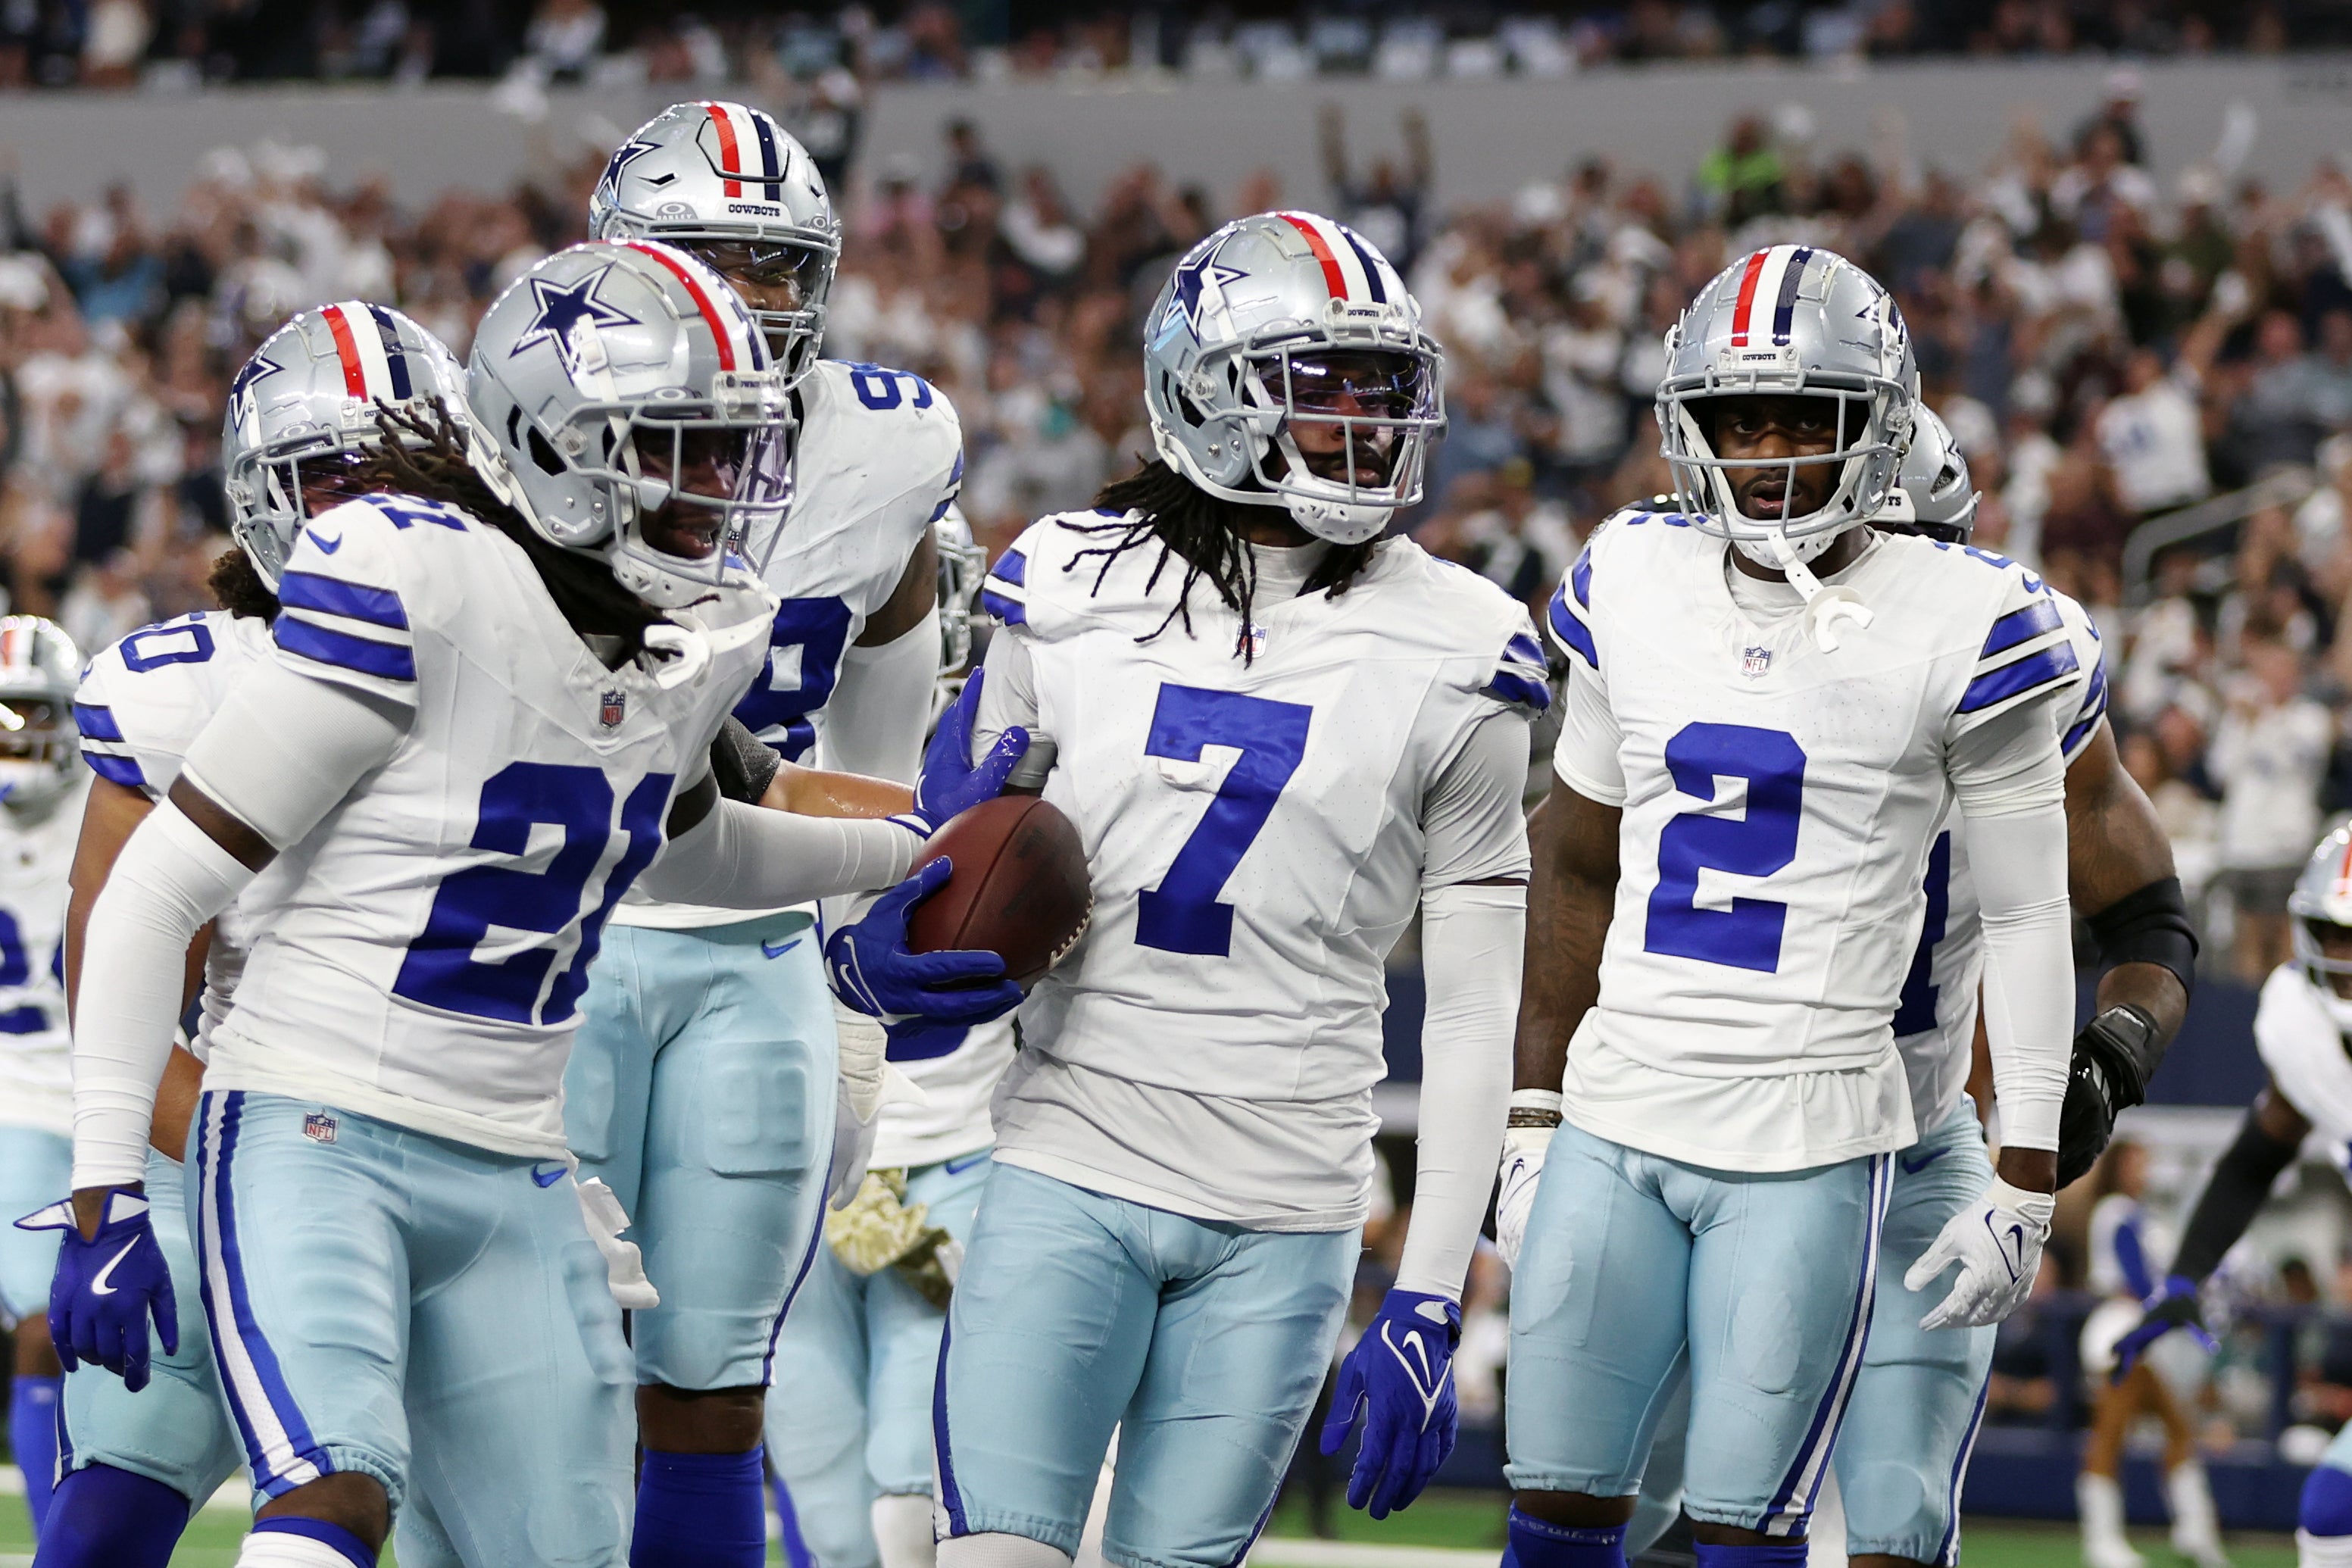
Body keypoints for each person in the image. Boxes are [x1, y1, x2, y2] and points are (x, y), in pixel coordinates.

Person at [33, 240, 1017, 1568]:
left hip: (512, 1161)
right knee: (334, 1495)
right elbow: (153, 895)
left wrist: (904, 856)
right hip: (319, 1123)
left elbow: (686, 850)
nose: (722, 493)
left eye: (734, 454)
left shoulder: (676, 636)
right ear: (558, 448)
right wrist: (103, 1196)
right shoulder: (414, 579)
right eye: (681, 448)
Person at [939, 209, 1543, 1568]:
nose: (1369, 424)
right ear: (1206, 396)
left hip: (1286, 1204)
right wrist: (887, 957)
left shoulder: (1468, 646)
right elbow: (953, 850)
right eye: (1323, 386)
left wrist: (1432, 1290)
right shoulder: (1069, 578)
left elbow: (1468, 1011)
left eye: (1384, 388)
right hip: (1067, 1158)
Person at [1499, 245, 2079, 1568]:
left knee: (1740, 1542)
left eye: (1801, 420)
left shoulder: (1973, 615)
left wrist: (2028, 1171)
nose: (1764, 453)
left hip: (1816, 1140)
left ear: (1875, 425)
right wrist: (1531, 1116)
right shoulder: (1630, 574)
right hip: (1614, 1114)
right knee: (1552, 1524)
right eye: (1734, 420)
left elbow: (2035, 918)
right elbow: (1577, 861)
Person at [1604, 408, 2200, 1568]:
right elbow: (1583, 887)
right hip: (1711, 1127)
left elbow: (2150, 918)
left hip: (1918, 1141)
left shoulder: (2009, 668)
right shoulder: (1690, 644)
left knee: (1895, 1520)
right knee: (1643, 1509)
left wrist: (2112, 1053)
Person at [579, 100, 982, 1566]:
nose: (752, 304)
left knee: (739, 1395)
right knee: (539, 1371)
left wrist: (861, 988)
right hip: (580, 933)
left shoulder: (888, 448)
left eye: (776, 265)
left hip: (770, 964)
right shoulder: (535, 424)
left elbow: (885, 714)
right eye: (714, 263)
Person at [30, 305, 467, 1567]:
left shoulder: (521, 665)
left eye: (410, 478)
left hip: (452, 1157)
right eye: (341, 476)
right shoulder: (177, 688)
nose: (378, 513)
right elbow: (109, 977)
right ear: (268, 494)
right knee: (106, 1522)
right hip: (214, 1139)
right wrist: (186, 1176)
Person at [764, 504, 1010, 1568]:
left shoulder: (1011, 771)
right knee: (818, 1501)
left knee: (913, 1503)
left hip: (951, 1159)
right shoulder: (777, 757)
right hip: (800, 1157)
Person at [2108, 821, 2352, 1568]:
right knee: (2331, 1516)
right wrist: (2186, 1273)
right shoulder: (2300, 1026)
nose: (2342, 962)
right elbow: (2258, 1155)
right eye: (2330, 935)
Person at [0, 614, 88, 1540]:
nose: (15, 732)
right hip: (18, 1095)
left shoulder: (113, 802)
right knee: (41, 1324)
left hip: (127, 1089)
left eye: (28, 711)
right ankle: (57, 1540)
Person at [2078, 1142, 2228, 1568]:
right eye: (2134, 1162)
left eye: (2145, 1162)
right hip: (2120, 1327)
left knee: (2177, 1428)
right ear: (2117, 1168)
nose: (2142, 1171)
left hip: (2148, 1333)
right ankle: (2102, 1540)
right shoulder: (2115, 1212)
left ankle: (2195, 1530)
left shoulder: (2147, 1218)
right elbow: (2137, 1278)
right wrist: (2172, 1309)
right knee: (2113, 1429)